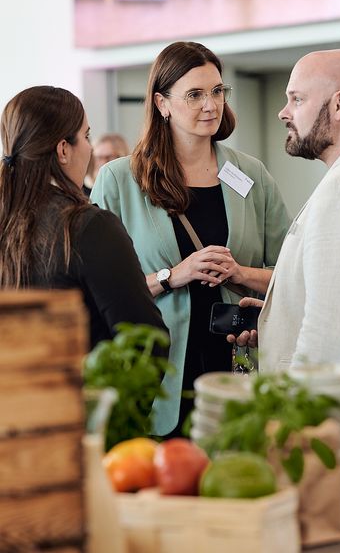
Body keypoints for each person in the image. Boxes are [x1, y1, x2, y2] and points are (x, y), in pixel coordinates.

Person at [91, 40, 291, 437]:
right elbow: (96, 295)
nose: (210, 105)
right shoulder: (118, 180)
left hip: (238, 361)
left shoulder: (250, 174)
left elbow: (292, 272)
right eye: (195, 94)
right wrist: (172, 276)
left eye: (217, 91)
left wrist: (241, 276)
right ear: (162, 103)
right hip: (158, 372)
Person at [228, 49, 340, 510]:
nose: (284, 111)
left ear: (339, 105)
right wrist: (275, 316)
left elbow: (329, 337)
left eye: (297, 98)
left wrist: (285, 436)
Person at [0, 85, 168, 355]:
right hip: (81, 396)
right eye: (86, 136)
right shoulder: (89, 227)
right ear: (63, 149)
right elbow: (147, 343)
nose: (90, 148)